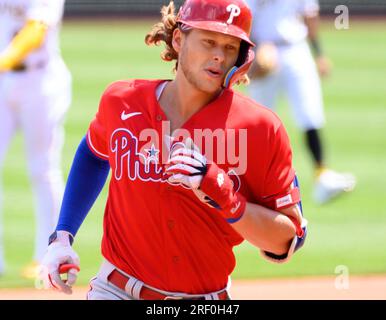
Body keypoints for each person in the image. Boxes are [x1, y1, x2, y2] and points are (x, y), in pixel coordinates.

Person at [39, 0, 307, 299]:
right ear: (179, 40)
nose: (219, 56)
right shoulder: (122, 101)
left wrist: (228, 199)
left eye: (230, 47)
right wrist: (62, 235)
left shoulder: (260, 128)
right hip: (115, 289)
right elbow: (93, 153)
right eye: (209, 41)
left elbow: (287, 238)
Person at [245, 0, 356, 204]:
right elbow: (244, 21)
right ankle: (257, 185)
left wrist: (319, 54)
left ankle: (322, 175)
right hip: (262, 52)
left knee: (310, 113)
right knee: (260, 123)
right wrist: (251, 55)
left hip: (296, 49)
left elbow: (309, 16)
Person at [0, 0, 71, 277]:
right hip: (4, 82)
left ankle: (47, 256)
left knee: (43, 169)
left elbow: (36, 29)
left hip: (41, 82)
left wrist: (4, 59)